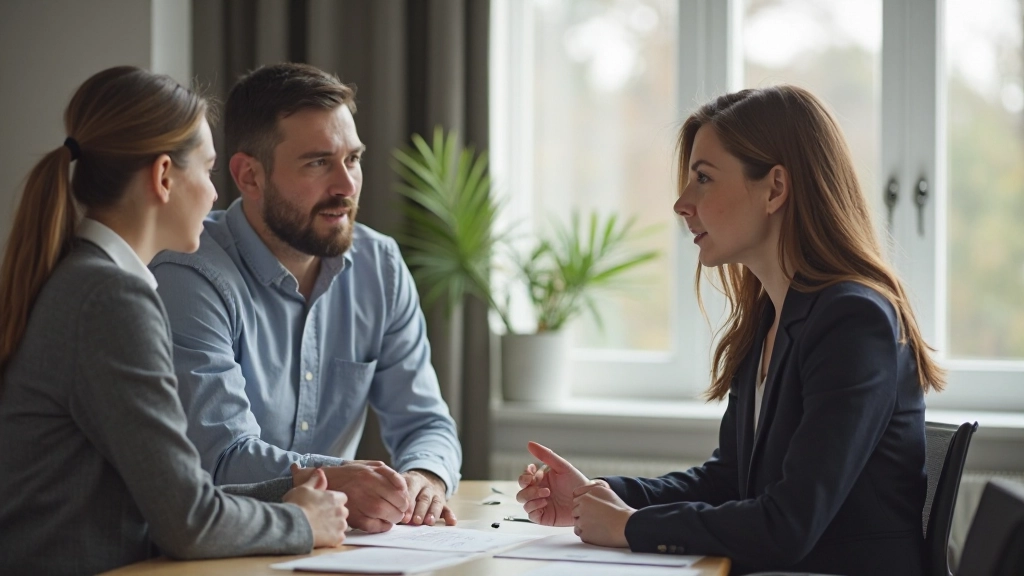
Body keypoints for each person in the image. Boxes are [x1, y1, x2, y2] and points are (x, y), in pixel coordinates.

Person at [515, 85, 944, 576]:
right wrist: (603, 495)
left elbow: (787, 525)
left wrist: (631, 527)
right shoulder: (769, 316)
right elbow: (729, 480)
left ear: (775, 189)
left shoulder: (853, 320)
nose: (682, 203)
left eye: (703, 179)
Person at [0, 67, 349, 575]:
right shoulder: (110, 299)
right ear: (164, 176)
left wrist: (302, 490)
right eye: (207, 172)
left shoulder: (84, 279)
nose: (214, 196)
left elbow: (172, 493)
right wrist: (300, 521)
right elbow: (188, 522)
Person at [150, 62, 461, 533]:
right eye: (318, 163)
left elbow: (426, 423)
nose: (346, 186)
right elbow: (220, 458)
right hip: (225, 547)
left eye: (352, 159)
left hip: (336, 546)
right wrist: (337, 479)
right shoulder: (189, 274)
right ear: (249, 176)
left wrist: (424, 478)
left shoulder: (381, 266)